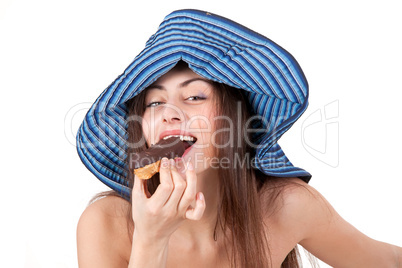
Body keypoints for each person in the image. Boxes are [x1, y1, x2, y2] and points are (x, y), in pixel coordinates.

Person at [76, 10, 402, 267]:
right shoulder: (107, 225)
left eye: (194, 97)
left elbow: (386, 262)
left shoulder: (286, 207)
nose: (169, 113)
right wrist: (151, 239)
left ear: (236, 119)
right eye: (155, 102)